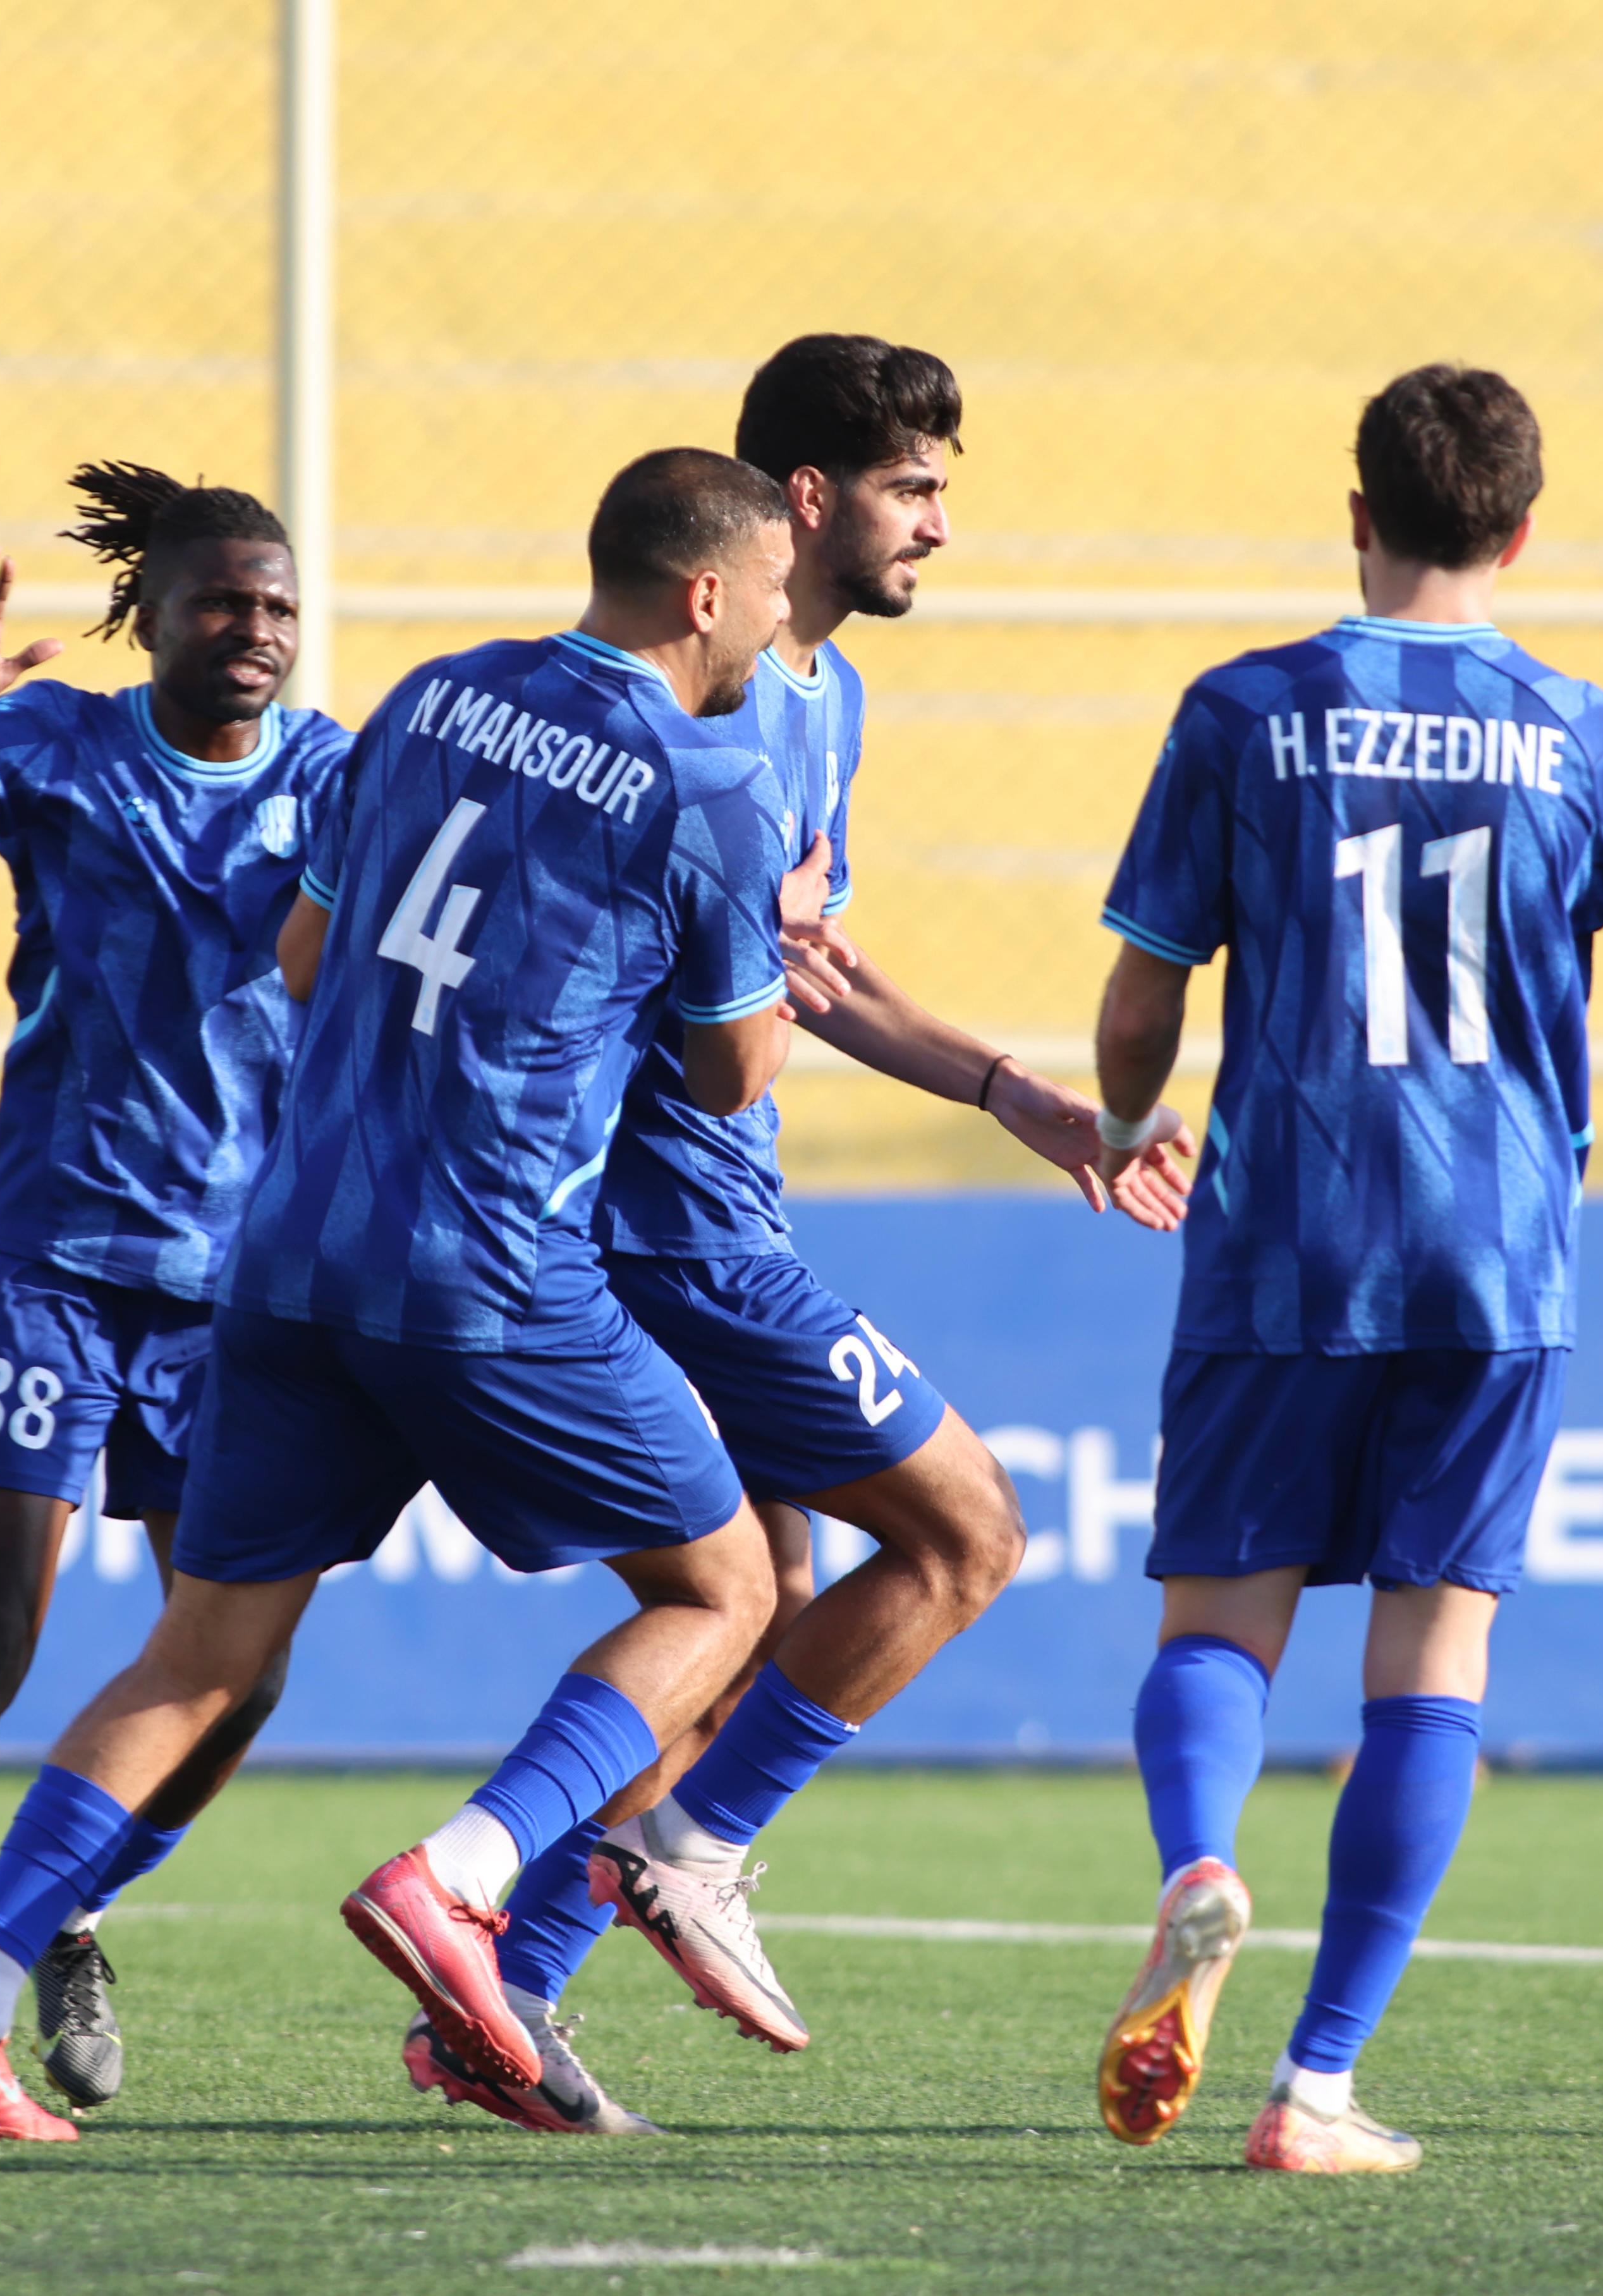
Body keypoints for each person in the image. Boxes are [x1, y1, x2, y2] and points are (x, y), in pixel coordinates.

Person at [0, 446, 808, 2142]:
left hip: (288, 1253)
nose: (783, 620)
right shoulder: (712, 779)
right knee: (729, 1582)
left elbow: (304, 957)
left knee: (206, 1644)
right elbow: (734, 1078)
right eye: (774, 590)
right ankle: (467, 1874)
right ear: (709, 593)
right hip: (493, 1259)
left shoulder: (430, 702)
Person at [372, 333, 1190, 2135]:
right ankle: (692, 1849)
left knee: (757, 1607)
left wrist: (1009, 1091)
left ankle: (503, 1990)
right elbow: (713, 993)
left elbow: (797, 969)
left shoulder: (821, 698)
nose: (943, 530)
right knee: (967, 1532)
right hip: (671, 1219)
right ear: (806, 504)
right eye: (917, 490)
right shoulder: (712, 686)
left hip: (694, 1200)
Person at [1087, 363, 1603, 2173]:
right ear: (1517, 529)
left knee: (1217, 1619)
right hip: (1489, 1252)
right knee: (1430, 1664)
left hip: (1281, 1233)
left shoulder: (1242, 709)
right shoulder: (1580, 730)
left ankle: (1195, 1863)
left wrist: (1126, 1121)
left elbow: (1141, 988)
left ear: (1355, 515)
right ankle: (1312, 2087)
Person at [0, 470, 351, 2111]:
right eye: (225, 603)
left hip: (237, 1293)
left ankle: (65, 1903)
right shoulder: (58, 751)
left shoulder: (339, 776)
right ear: (152, 616)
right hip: (52, 1263)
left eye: (278, 607)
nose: (256, 631)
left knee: (242, 1672)